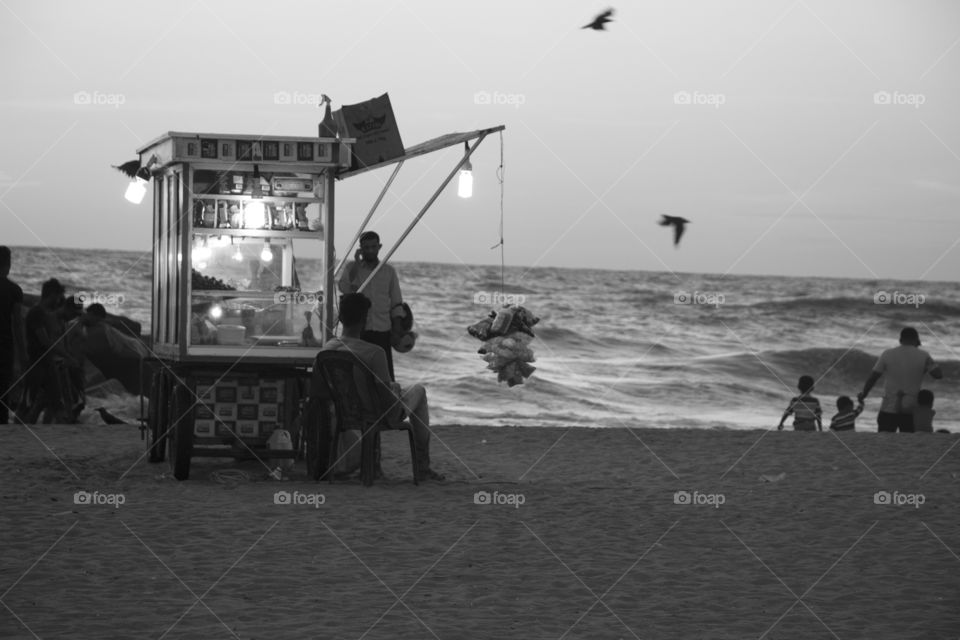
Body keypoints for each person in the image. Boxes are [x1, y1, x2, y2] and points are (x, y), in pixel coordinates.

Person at [321, 293, 443, 481]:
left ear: (341, 318)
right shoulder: (374, 353)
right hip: (377, 414)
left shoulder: (327, 349)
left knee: (396, 389)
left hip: (345, 413)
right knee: (419, 390)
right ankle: (423, 466)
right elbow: (386, 400)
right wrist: (395, 392)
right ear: (365, 320)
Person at [338, 231, 405, 381]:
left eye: (373, 247)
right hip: (358, 332)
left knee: (384, 378)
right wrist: (356, 262)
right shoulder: (352, 268)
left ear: (379, 247)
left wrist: (397, 329)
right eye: (366, 247)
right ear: (361, 248)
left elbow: (396, 302)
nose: (370, 251)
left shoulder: (389, 271)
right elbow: (344, 287)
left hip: (382, 330)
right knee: (357, 377)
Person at [859, 327, 942, 433]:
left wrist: (864, 394)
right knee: (908, 441)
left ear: (900, 340)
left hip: (888, 407)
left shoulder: (887, 353)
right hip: (910, 409)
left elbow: (873, 377)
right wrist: (924, 367)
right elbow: (938, 375)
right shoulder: (924, 355)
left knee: (885, 440)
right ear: (917, 340)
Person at [21, 278, 81, 423]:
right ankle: (19, 430)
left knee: (56, 402)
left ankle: (55, 431)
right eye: (59, 297)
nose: (60, 300)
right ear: (52, 295)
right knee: (28, 403)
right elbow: (46, 341)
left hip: (49, 364)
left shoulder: (45, 314)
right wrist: (67, 356)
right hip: (37, 362)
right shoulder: (37, 313)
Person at [0, 246, 26, 424]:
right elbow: (17, 324)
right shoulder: (14, 290)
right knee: (3, 389)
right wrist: (22, 353)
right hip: (4, 346)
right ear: (8, 265)